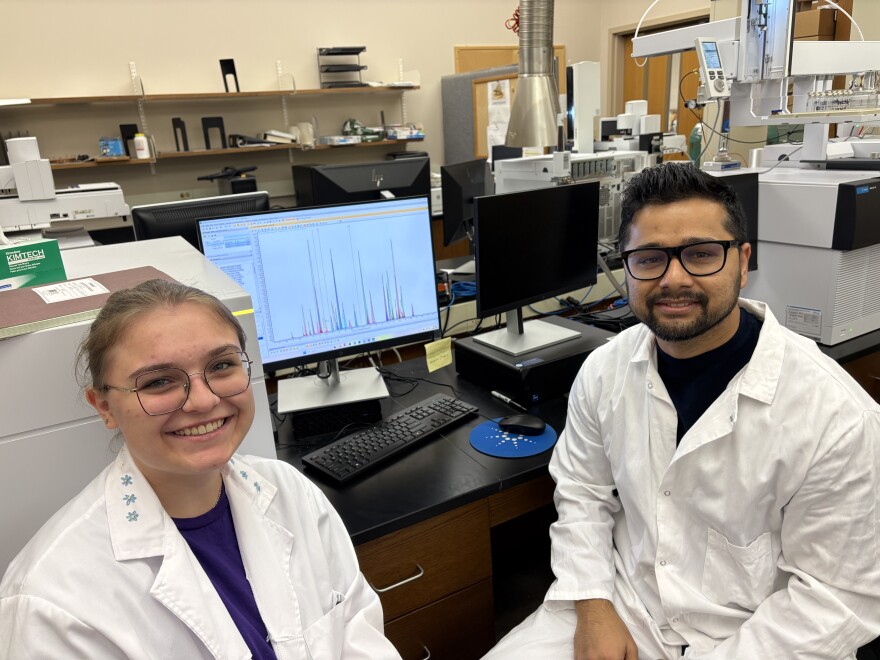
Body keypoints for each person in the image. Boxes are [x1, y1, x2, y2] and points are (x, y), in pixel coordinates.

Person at [484, 163, 880, 659]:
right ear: (626, 266)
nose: (674, 278)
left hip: (754, 637)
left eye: (700, 254)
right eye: (649, 259)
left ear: (742, 261)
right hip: (623, 605)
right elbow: (583, 495)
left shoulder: (836, 416)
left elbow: (835, 598)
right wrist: (593, 607)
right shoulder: (604, 370)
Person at [0, 279, 401, 659]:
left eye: (222, 366)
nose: (204, 401)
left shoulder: (291, 491)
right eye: (158, 382)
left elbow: (357, 631)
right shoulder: (50, 601)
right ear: (104, 406)